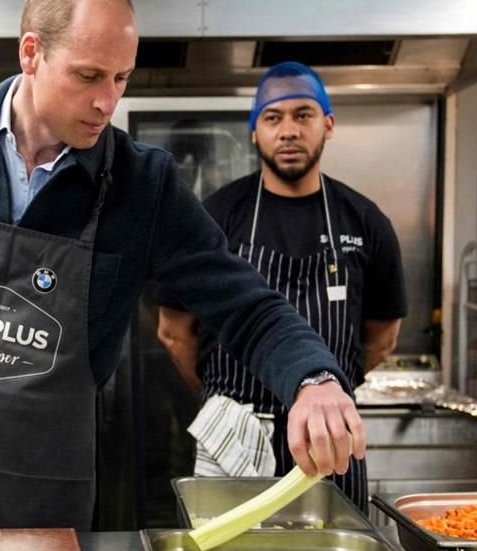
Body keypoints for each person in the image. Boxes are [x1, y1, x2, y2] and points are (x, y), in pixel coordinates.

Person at [0, 0, 366, 531]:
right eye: (88, 75)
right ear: (31, 52)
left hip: (42, 491)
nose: (107, 102)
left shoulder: (143, 186)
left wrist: (314, 379)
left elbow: (248, 308)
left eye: (121, 78)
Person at [157, 62, 407, 511]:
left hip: (329, 441)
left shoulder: (366, 221)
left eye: (303, 115)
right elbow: (174, 332)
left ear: (328, 124)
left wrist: (334, 387)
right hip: (233, 434)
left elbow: (382, 338)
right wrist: (223, 394)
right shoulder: (216, 215)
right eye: (273, 118)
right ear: (254, 133)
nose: (288, 130)